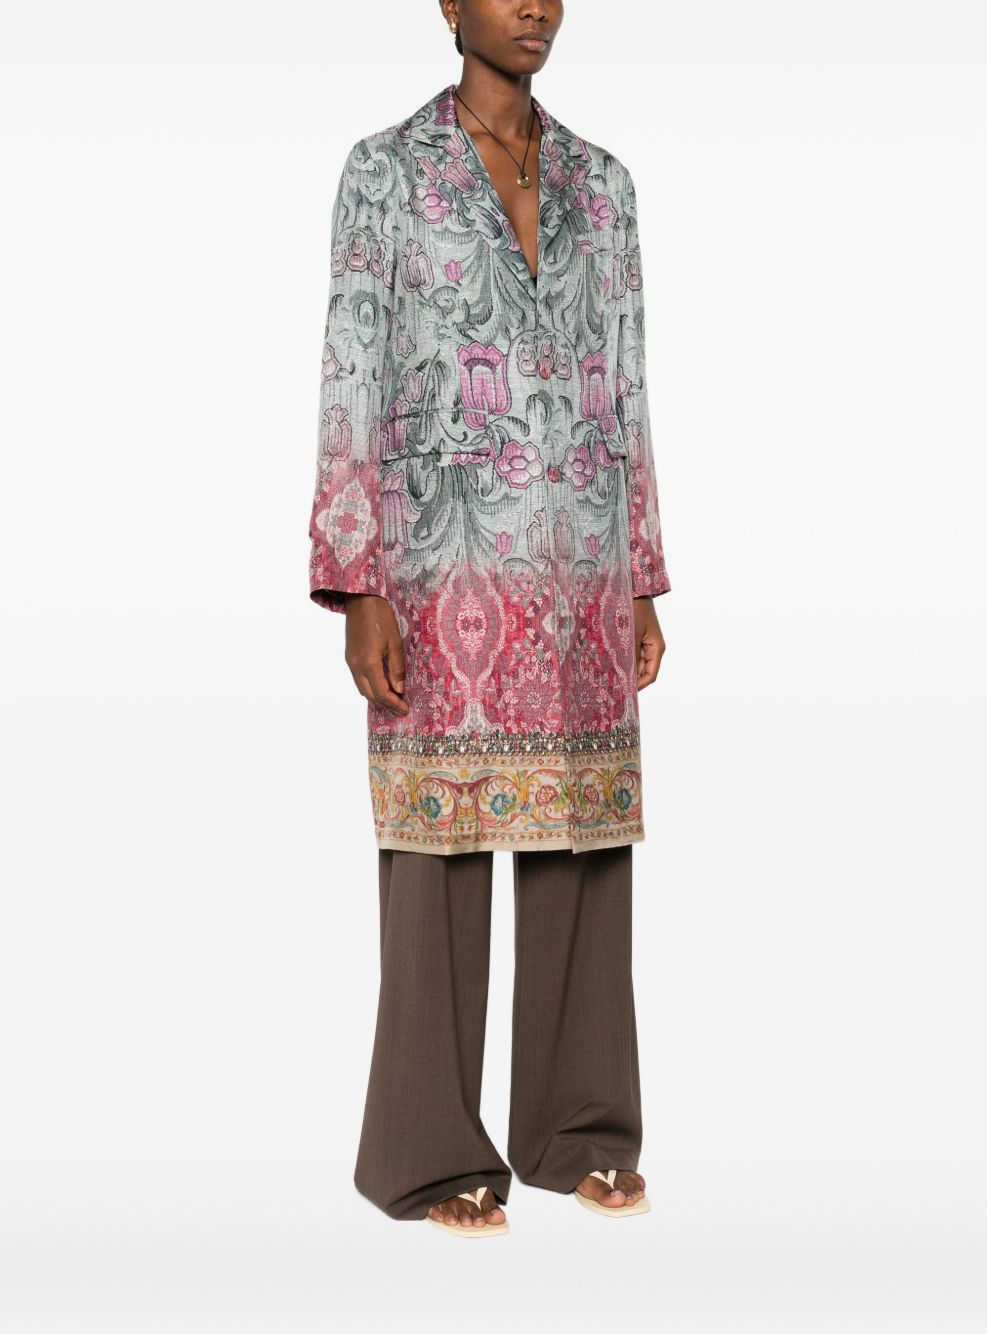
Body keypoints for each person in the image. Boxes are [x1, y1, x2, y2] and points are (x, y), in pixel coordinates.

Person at [307, 0, 669, 1235]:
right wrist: (355, 579)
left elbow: (628, 386)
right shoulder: (384, 174)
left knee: (585, 841)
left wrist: (638, 573)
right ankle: (427, 1151)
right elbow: (350, 373)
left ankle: (579, 1131)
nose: (535, 5)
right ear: (446, 4)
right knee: (438, 848)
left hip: (579, 569)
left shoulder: (605, 186)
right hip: (437, 565)